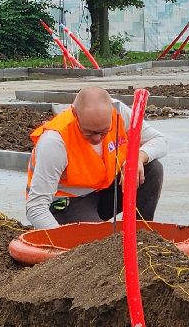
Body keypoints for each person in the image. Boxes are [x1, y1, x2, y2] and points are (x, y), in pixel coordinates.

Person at [25, 86, 168, 230]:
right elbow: (36, 207)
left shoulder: (118, 112)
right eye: (89, 133)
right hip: (68, 202)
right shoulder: (55, 141)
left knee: (152, 169)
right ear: (75, 114)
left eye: (104, 131)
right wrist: (60, 241)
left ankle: (141, 235)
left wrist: (138, 157)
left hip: (103, 191)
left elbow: (159, 140)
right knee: (97, 241)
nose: (97, 138)